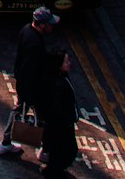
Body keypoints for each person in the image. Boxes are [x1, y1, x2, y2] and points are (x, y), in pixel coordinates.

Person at [0, 5, 60, 156]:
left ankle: (6, 143)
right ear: (42, 24)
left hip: (25, 85)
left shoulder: (26, 30)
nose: (52, 27)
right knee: (43, 116)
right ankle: (45, 150)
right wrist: (29, 93)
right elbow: (30, 70)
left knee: (18, 111)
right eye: (50, 24)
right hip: (32, 88)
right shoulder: (35, 44)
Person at [39, 49, 79, 178]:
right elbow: (57, 108)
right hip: (61, 125)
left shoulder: (58, 77)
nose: (69, 63)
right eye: (66, 61)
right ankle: (53, 172)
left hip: (58, 124)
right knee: (68, 150)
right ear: (58, 65)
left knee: (60, 150)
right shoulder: (59, 84)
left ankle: (53, 169)